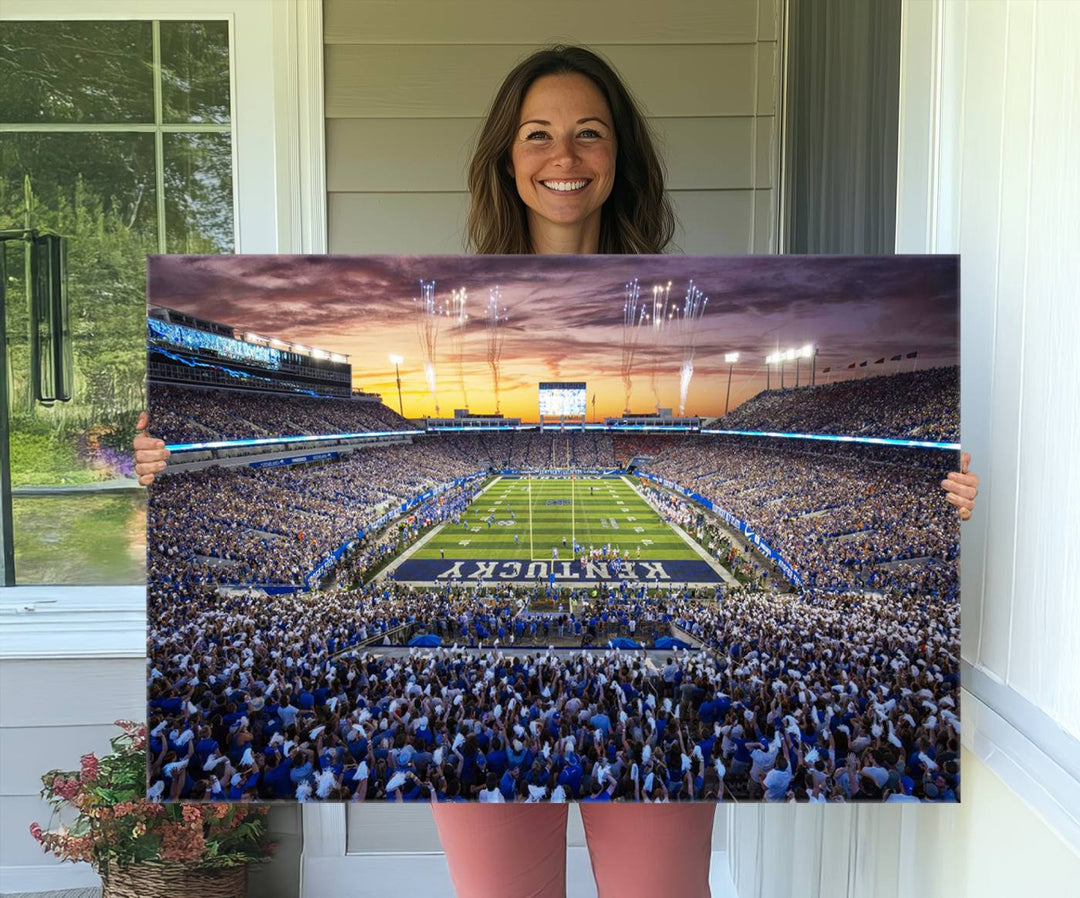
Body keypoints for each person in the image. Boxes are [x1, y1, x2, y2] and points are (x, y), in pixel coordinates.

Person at [134, 43, 979, 898]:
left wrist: (947, 490)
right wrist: (165, 460)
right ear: (507, 157)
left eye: (589, 134)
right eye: (537, 134)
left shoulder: (678, 288)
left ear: (620, 158)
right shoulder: (451, 290)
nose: (563, 157)